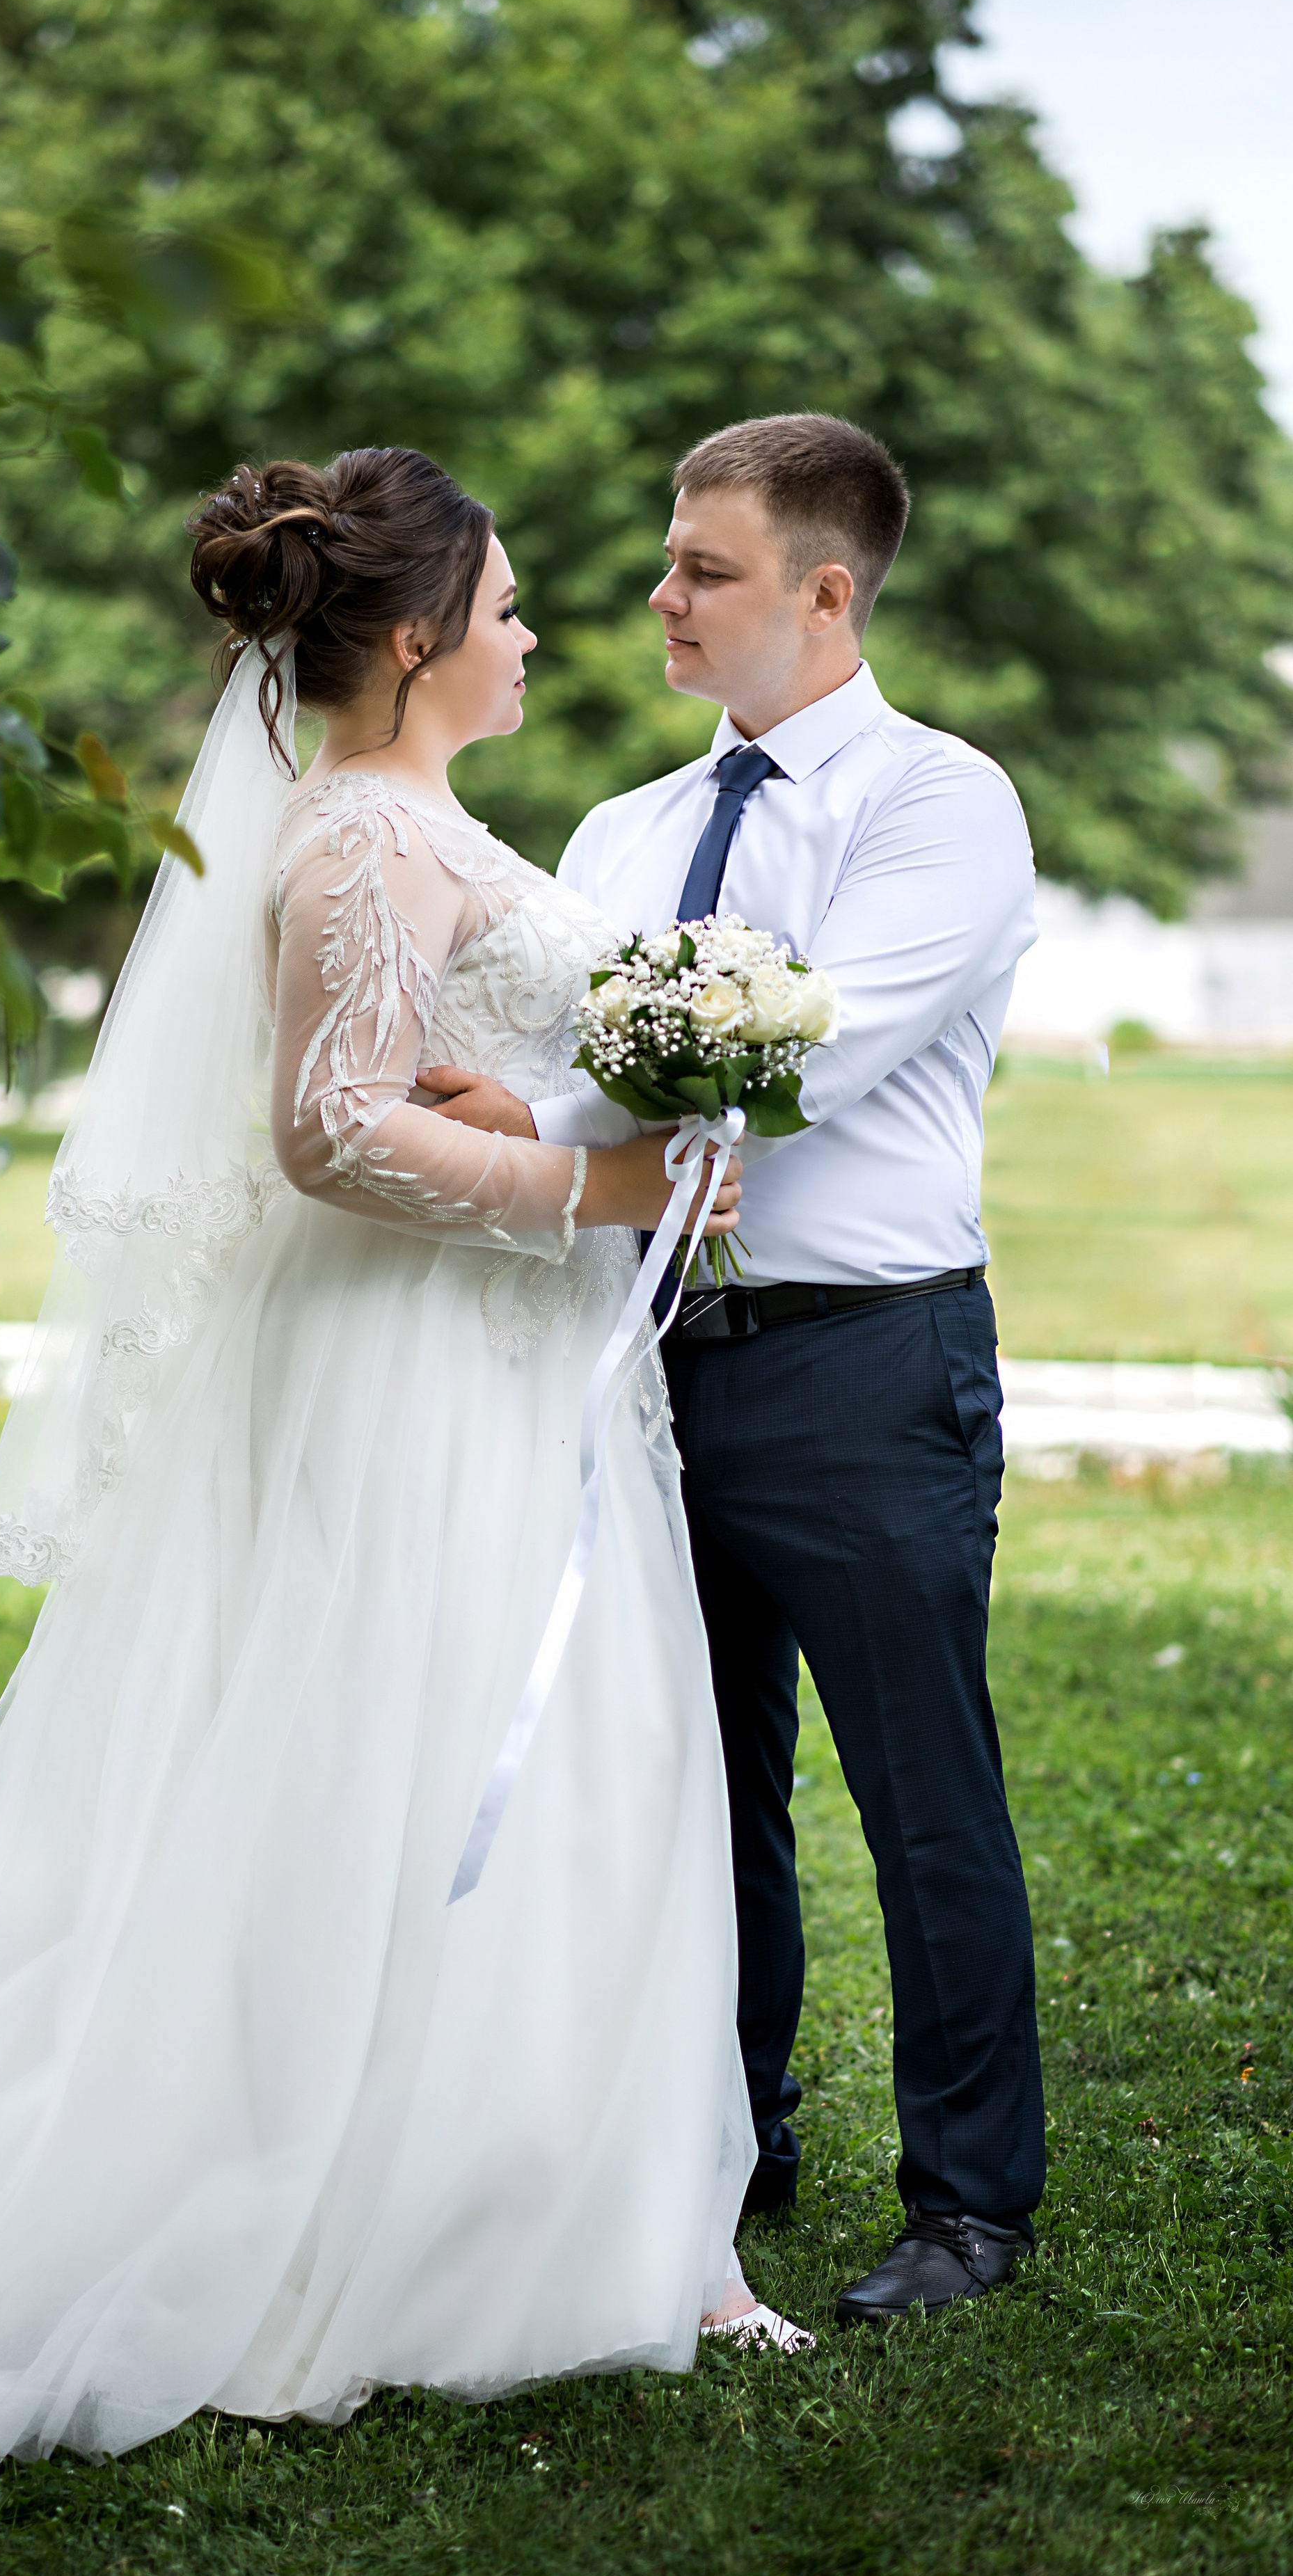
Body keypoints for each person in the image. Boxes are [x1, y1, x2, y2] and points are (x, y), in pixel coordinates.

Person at [0, 446, 809, 2469]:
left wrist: (598, 1143)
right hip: (411, 1375)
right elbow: (329, 1132)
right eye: (503, 609)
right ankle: (350, 2225)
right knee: (397, 1767)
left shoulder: (409, 823)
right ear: (412, 643)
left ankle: (557, 2215)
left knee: (568, 1768)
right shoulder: (357, 848)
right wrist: (594, 1189)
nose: (534, 633)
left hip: (493, 1363)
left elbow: (415, 1084)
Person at [423, 413, 1045, 2323]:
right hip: (643, 1355)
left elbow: (806, 1055)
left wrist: (509, 1112)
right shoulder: (618, 826)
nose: (659, 597)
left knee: (919, 1788)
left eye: (705, 568)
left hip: (867, 1362)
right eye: (666, 559)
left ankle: (967, 2203)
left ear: (827, 589)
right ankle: (729, 2131)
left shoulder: (939, 803)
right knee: (693, 1776)